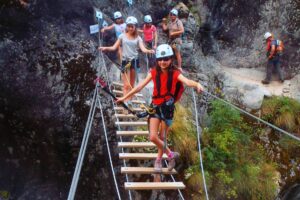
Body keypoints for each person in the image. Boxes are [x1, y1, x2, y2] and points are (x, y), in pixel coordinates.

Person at [116, 44, 204, 172]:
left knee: (162, 137)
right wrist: (123, 98)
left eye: (166, 59)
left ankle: (158, 160)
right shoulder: (153, 72)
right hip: (156, 107)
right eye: (160, 59)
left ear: (171, 59)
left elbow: (187, 81)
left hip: (167, 109)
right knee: (153, 136)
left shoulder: (175, 73)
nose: (163, 62)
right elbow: (139, 87)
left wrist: (197, 84)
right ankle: (170, 154)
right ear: (157, 60)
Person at [99, 16, 154, 106]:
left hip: (134, 61)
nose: (130, 28)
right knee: (126, 85)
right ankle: (125, 101)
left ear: (135, 27)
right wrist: (105, 48)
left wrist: (148, 51)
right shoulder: (122, 36)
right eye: (129, 26)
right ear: (126, 26)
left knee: (132, 84)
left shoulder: (138, 38)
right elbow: (114, 47)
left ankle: (130, 100)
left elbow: (143, 49)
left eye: (132, 26)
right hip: (125, 61)